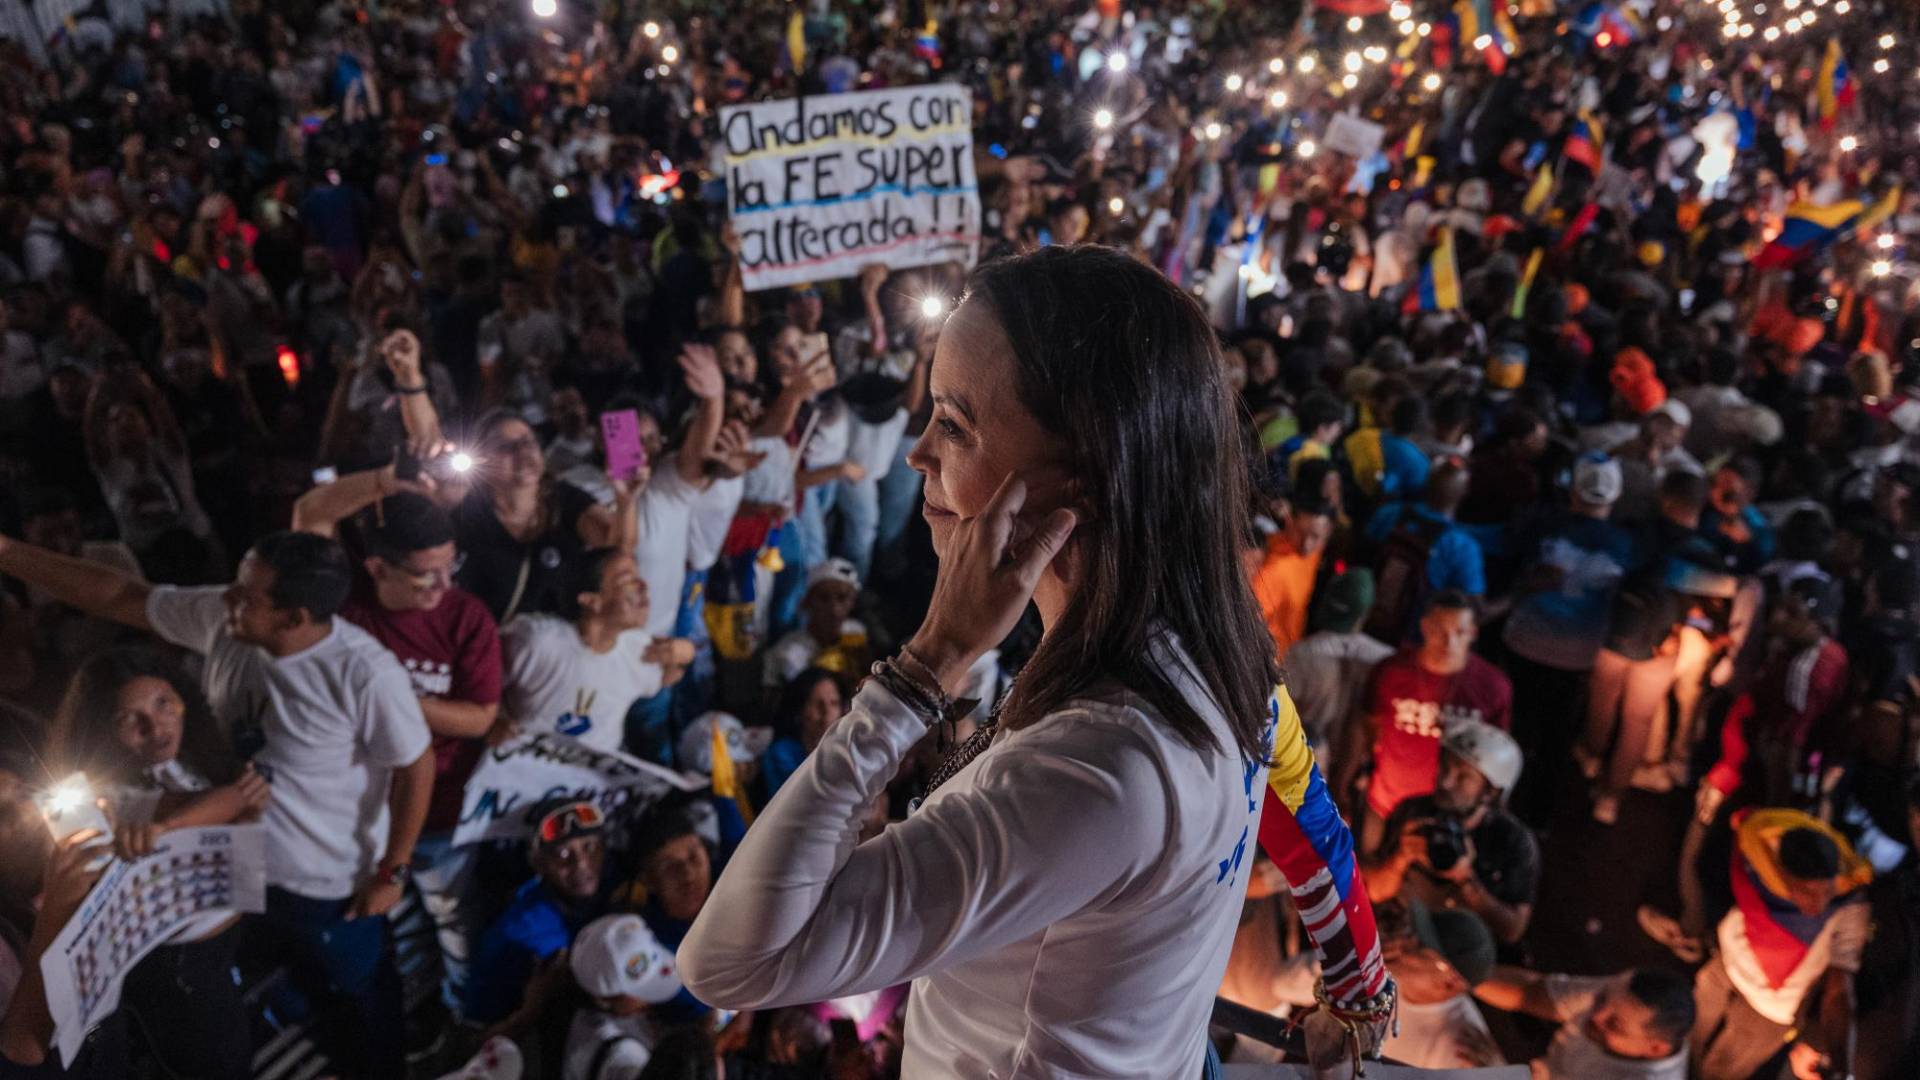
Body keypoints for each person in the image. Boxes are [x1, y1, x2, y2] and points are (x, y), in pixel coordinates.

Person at [679, 246, 1391, 1076]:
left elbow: (729, 962)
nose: (916, 453)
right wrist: (1358, 983)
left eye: (953, 422)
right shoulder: (1218, 653)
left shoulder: (1089, 773)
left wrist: (927, 664)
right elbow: (1308, 823)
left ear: (1084, 478)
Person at [0, 527, 433, 1076]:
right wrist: (10, 553)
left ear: (294, 618)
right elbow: (117, 595)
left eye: (246, 595)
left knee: (360, 1002)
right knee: (289, 996)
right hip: (240, 874)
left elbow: (416, 765)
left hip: (329, 886)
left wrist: (393, 871)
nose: (225, 596)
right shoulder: (229, 621)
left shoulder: (364, 674)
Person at [292, 476, 504, 1015]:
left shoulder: (466, 617)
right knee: (396, 925)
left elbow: (480, 717)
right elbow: (310, 516)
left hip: (439, 816)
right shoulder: (344, 606)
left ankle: (466, 1011)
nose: (442, 584)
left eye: (449, 566)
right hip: (359, 818)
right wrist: (386, 483)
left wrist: (391, 697)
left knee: (453, 920)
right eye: (425, 573)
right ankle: (418, 1008)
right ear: (377, 567)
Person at [47, 646, 272, 1079]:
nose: (155, 726)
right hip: (179, 966)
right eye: (128, 718)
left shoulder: (202, 752)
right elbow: (222, 800)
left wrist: (231, 815)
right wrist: (222, 812)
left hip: (229, 937)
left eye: (163, 703)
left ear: (183, 696)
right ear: (99, 731)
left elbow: (231, 800)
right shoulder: (98, 800)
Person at [1691, 812, 1870, 1080]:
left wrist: (1843, 1068)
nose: (1819, 905)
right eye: (1807, 892)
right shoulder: (1761, 861)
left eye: (1827, 891)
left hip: (1770, 1009)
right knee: (1688, 1033)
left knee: (1720, 1072)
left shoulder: (1849, 907)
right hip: (1724, 966)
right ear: (1779, 876)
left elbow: (1839, 992)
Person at [1341, 591, 1512, 847]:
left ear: (1473, 634)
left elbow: (1496, 760)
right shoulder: (1390, 672)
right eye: (1439, 630)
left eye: (1459, 632)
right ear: (1424, 627)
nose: (1449, 642)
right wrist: (1345, 782)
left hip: (1448, 811)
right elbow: (1367, 726)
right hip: (1388, 802)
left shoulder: (1493, 687)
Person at [1361, 720, 1537, 945]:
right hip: (1399, 939)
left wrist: (1466, 881)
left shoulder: (1512, 840)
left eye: (1464, 776)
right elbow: (1372, 892)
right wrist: (1399, 860)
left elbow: (1513, 929)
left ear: (1491, 792)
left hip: (1460, 951)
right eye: (1445, 766)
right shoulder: (1413, 810)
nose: (1446, 782)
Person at [500, 549, 684, 755]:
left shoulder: (640, 650)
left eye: (639, 578)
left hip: (591, 780)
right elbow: (479, 688)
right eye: (628, 582)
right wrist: (495, 723)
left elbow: (667, 676)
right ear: (591, 600)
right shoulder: (536, 642)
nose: (644, 586)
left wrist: (686, 654)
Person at [467, 800, 610, 1031]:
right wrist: (529, 1011)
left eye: (590, 847)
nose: (581, 863)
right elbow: (476, 1033)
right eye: (563, 853)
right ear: (539, 863)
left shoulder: (620, 887)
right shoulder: (514, 933)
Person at [1472, 966, 1694, 1079]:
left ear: (1654, 1048)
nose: (1594, 1015)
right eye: (1601, 998)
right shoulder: (1621, 1000)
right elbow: (1533, 994)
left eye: (1614, 1024)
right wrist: (1461, 973)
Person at [563, 915, 686, 1080]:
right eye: (640, 991)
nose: (648, 1001)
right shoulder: (623, 1059)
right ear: (602, 999)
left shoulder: (618, 1015)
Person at [759, 558, 870, 690]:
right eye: (824, 598)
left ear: (853, 602)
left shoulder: (857, 633)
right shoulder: (786, 655)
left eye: (842, 598)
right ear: (807, 602)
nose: (834, 609)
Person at [1249, 486, 1333, 657]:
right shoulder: (1272, 568)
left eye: (1315, 537)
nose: (1307, 545)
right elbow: (1248, 624)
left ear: (1328, 533)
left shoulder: (1314, 553)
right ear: (1289, 522)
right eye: (1300, 533)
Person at [758, 668, 847, 799]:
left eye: (834, 703)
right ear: (799, 710)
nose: (827, 712)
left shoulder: (847, 749)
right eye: (817, 704)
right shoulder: (780, 754)